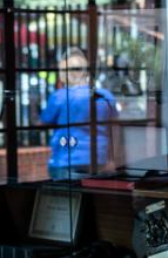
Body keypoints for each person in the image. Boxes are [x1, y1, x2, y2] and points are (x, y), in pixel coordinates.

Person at [41, 48, 118, 179]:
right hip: (100, 158)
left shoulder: (60, 97)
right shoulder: (105, 96)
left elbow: (45, 121)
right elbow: (115, 129)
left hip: (66, 159)